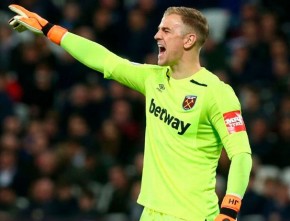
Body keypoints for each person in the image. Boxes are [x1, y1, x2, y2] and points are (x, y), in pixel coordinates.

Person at [8, 4, 252, 221]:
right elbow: (106, 60)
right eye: (158, 28)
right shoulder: (152, 78)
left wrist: (230, 209)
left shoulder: (217, 93)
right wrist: (50, 29)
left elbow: (241, 154)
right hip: (151, 212)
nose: (157, 35)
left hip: (193, 214)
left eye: (166, 30)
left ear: (188, 40)